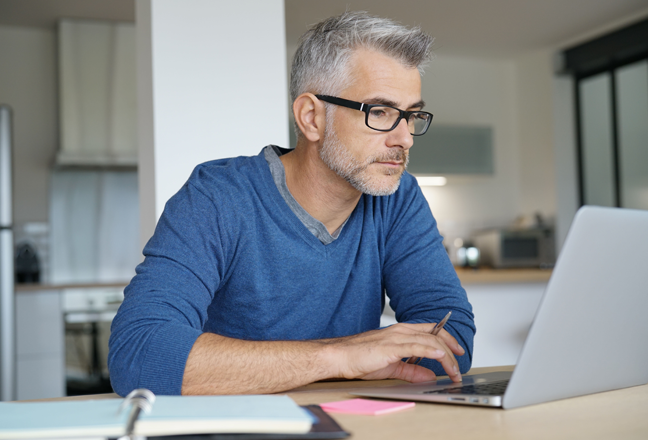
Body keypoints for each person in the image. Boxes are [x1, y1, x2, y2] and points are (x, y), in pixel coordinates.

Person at [108, 11, 475, 397]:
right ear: (311, 117)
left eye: (411, 115)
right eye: (380, 112)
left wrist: (366, 360)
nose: (405, 138)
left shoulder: (397, 198)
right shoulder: (216, 197)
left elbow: (451, 336)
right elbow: (139, 354)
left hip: (353, 424)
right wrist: (340, 358)